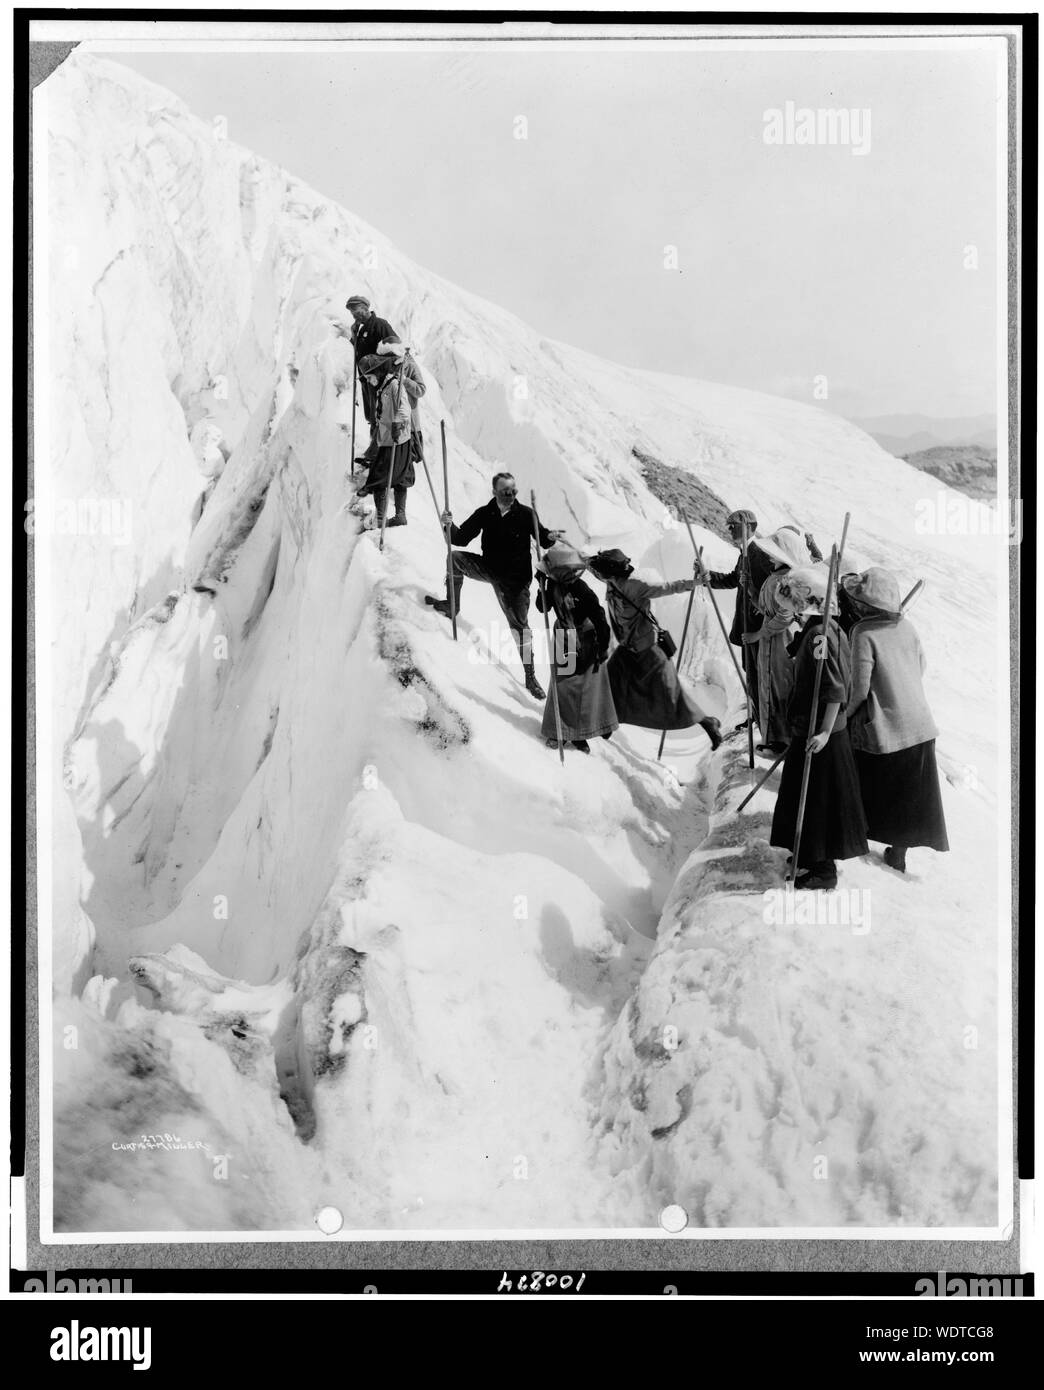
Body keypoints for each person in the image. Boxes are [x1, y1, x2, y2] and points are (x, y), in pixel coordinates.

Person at [843, 567, 949, 872]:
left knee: (863, 779)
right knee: (908, 794)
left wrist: (846, 716)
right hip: (919, 722)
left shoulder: (863, 633)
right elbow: (921, 665)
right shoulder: (908, 627)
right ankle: (898, 855)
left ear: (864, 604)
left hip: (888, 726)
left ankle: (855, 838)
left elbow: (860, 689)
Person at [769, 565, 869, 890]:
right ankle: (809, 855)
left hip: (819, 733)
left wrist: (824, 731)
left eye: (793, 604)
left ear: (805, 603)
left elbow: (834, 687)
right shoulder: (823, 629)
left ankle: (823, 869)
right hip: (813, 730)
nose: (790, 611)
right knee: (805, 795)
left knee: (816, 801)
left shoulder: (819, 637)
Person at [426, 473, 565, 699]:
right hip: (489, 568)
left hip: (515, 582)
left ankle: (530, 677)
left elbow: (543, 539)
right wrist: (448, 526)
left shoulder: (526, 514)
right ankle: (452, 605)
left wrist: (550, 536)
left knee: (521, 628)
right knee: (455, 558)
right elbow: (460, 539)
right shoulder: (485, 513)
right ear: (495, 493)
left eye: (512, 491)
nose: (510, 496)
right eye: (505, 492)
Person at [585, 549, 722, 748]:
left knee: (670, 692)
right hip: (626, 649)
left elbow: (668, 587)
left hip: (646, 650)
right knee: (609, 681)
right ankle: (605, 725)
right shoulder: (610, 580)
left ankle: (707, 723)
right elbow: (591, 566)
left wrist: (697, 582)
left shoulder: (635, 586)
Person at [534, 543, 618, 753]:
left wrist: (603, 648)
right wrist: (541, 586)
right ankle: (560, 733)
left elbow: (600, 619)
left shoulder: (582, 590)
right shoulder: (553, 584)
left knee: (581, 690)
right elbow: (542, 608)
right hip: (563, 636)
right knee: (563, 686)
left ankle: (579, 735)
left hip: (585, 639)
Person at [744, 527, 811, 755]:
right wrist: (750, 590)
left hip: (779, 641)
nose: (770, 556)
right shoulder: (782, 578)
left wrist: (758, 635)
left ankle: (781, 739)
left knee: (777, 684)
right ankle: (778, 736)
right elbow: (769, 609)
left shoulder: (782, 580)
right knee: (775, 684)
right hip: (778, 639)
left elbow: (784, 615)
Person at [705, 509, 765, 728]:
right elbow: (733, 580)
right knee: (751, 671)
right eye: (729, 525)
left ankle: (762, 719)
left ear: (750, 527)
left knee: (758, 673)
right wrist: (707, 576)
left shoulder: (758, 554)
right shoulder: (746, 553)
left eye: (734, 525)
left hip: (756, 628)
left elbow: (764, 593)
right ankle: (757, 716)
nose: (730, 529)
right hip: (747, 626)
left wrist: (760, 620)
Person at [354, 350, 425, 527]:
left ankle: (381, 519)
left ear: (377, 372)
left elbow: (404, 409)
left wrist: (397, 425)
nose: (369, 381)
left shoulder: (393, 385)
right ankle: (397, 516)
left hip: (397, 439)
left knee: (381, 477)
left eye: (369, 377)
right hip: (389, 438)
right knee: (399, 476)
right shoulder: (384, 386)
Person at [346, 296, 401, 465]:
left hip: (381, 380)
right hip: (366, 379)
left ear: (366, 307)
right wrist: (350, 336)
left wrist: (384, 370)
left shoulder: (380, 325)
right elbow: (358, 350)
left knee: (380, 415)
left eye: (356, 310)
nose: (354, 314)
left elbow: (396, 349)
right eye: (351, 311)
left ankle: (375, 455)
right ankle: (374, 453)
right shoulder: (358, 328)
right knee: (371, 416)